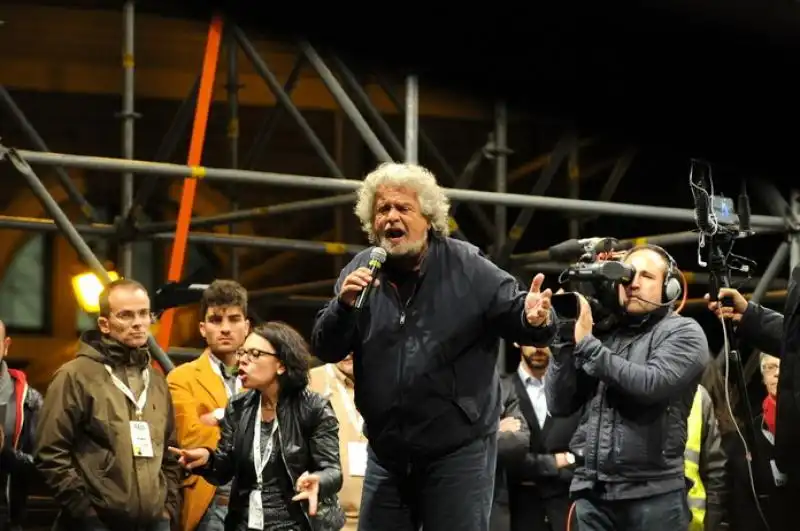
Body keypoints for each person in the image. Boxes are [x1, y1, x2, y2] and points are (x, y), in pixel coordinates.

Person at [311, 162, 556, 531]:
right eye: (382, 210)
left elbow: (519, 315)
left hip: (457, 452)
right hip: (388, 452)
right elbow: (326, 348)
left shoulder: (467, 266)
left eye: (403, 208)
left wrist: (536, 320)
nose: (391, 217)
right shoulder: (362, 269)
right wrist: (342, 308)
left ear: (428, 217)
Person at [546, 244, 710, 531]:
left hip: (654, 496)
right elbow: (559, 404)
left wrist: (587, 345)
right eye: (627, 276)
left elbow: (650, 384)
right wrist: (563, 338)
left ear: (669, 288)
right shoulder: (602, 335)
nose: (633, 283)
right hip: (592, 495)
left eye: (646, 276)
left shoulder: (685, 333)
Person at [34, 278, 182, 531]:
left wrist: (167, 511)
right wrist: (86, 513)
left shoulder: (156, 380)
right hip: (94, 523)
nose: (137, 323)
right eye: (126, 315)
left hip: (154, 523)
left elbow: (170, 453)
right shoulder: (75, 375)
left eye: (144, 314)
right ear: (104, 324)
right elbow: (50, 454)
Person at [170, 322, 346, 531]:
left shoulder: (313, 408)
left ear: (281, 365)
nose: (242, 360)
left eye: (254, 353)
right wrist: (207, 460)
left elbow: (332, 470)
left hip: (297, 524)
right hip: (245, 524)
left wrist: (319, 479)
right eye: (242, 352)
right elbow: (225, 467)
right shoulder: (238, 407)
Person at [167, 280, 250, 531]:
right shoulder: (181, 378)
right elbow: (191, 439)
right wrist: (246, 422)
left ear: (247, 326)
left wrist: (216, 417)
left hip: (261, 502)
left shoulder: (264, 376)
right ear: (203, 328)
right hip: (212, 501)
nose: (225, 328)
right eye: (216, 320)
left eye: (234, 319)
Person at [506, 344, 582, 531]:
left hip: (566, 512)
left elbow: (584, 455)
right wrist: (557, 461)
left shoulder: (576, 393)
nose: (539, 347)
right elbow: (503, 460)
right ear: (517, 341)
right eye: (532, 339)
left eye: (545, 339)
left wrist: (532, 466)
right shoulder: (501, 392)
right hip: (515, 512)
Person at [309, 354, 366, 531]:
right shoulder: (309, 382)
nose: (346, 352)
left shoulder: (390, 380)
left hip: (384, 516)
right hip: (328, 521)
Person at [0, 319, 43, 530]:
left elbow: (46, 465)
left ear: (6, 345)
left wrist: (7, 454)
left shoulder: (30, 400)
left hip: (8, 518)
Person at [684, 383, 727, 531]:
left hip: (693, 522)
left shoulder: (699, 395)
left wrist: (713, 516)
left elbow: (715, 469)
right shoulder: (626, 387)